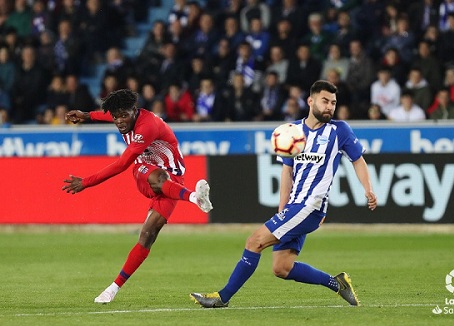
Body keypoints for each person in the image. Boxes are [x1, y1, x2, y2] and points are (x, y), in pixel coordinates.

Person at [190, 80, 377, 308]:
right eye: (325, 101)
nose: (330, 107)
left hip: (311, 206)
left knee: (254, 241)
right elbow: (287, 172)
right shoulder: (292, 131)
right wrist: (283, 210)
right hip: (294, 207)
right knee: (282, 267)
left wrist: (368, 189)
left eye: (333, 103)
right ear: (310, 101)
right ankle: (337, 283)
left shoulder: (339, 131)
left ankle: (221, 297)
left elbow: (358, 161)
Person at [62, 89, 213, 304]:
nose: (119, 121)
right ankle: (195, 198)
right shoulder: (122, 117)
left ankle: (112, 289)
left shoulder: (147, 126)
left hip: (173, 179)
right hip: (145, 171)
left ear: (135, 111)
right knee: (157, 177)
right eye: (116, 117)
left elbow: (121, 164)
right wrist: (86, 115)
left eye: (124, 115)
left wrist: (86, 182)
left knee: (147, 236)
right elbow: (107, 114)